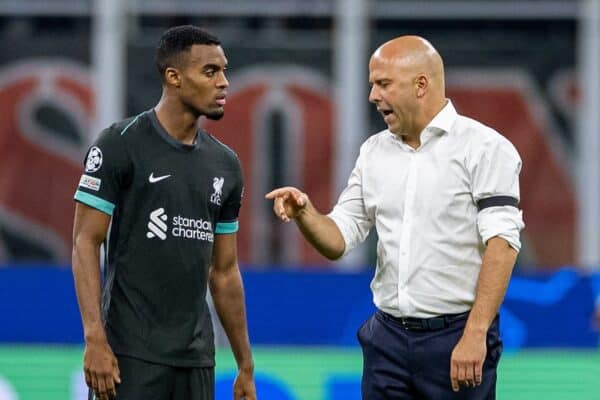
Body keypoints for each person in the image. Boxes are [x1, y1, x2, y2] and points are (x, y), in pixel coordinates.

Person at [266, 35, 524, 399]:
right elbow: (339, 238)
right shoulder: (374, 152)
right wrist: (307, 214)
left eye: (383, 83)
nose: (373, 96)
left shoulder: (485, 148)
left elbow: (503, 243)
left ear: (421, 85)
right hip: (386, 340)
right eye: (372, 84)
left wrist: (476, 333)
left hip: (456, 337)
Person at [72, 25, 256, 400]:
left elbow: (223, 272)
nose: (223, 83)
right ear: (174, 77)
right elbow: (85, 242)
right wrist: (95, 339)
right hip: (129, 355)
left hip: (196, 361)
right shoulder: (120, 144)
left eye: (224, 71)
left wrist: (245, 364)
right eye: (210, 72)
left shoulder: (225, 165)